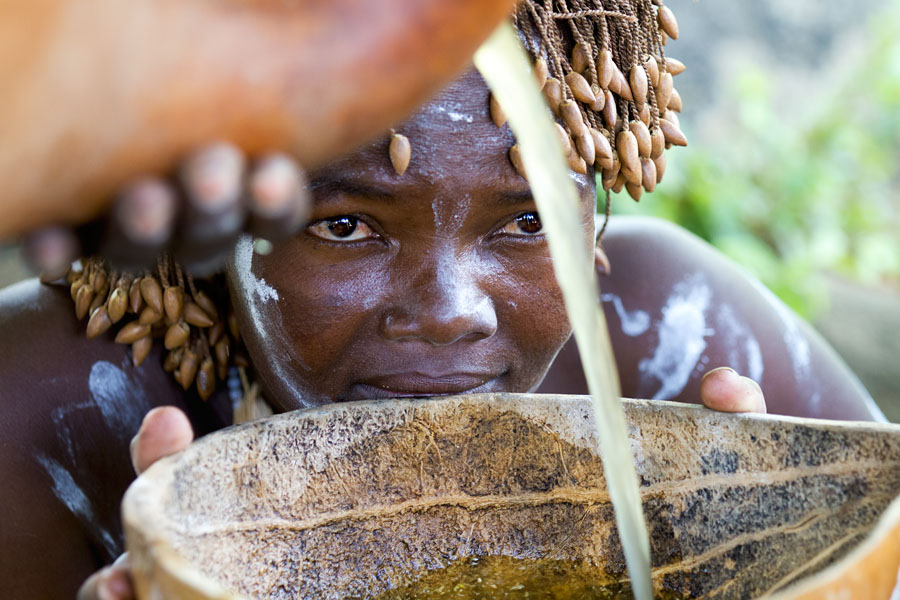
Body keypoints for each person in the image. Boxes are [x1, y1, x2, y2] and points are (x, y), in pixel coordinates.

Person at [0, 2, 883, 598]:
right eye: (345, 226)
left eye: (528, 218)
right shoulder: (50, 421)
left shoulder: (673, 341)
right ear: (209, 224)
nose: (455, 311)